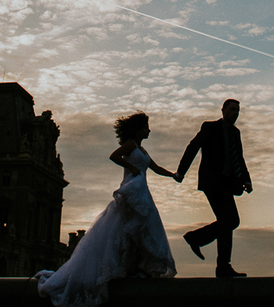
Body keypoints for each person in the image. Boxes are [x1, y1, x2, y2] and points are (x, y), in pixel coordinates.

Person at [36, 112, 176, 307]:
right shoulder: (131, 145)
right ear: (138, 129)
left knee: (136, 229)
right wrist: (132, 168)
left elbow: (156, 167)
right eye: (146, 127)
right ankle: (130, 268)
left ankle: (132, 267)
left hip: (141, 193)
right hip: (131, 191)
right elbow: (114, 156)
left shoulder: (142, 150)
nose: (149, 130)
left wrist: (174, 175)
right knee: (129, 229)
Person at [174, 99, 252, 278]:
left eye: (238, 111)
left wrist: (246, 180)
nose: (235, 113)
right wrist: (180, 172)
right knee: (230, 221)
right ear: (223, 110)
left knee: (229, 222)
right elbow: (193, 147)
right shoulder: (210, 127)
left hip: (227, 184)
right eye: (232, 109)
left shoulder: (235, 132)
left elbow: (239, 158)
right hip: (212, 183)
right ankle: (221, 264)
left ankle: (203, 245)